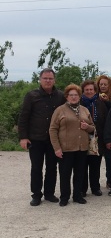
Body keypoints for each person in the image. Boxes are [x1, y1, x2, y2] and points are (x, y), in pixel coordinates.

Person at [18, 68, 65, 206]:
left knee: (52, 167)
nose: (48, 81)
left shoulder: (60, 96)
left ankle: (49, 193)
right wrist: (23, 137)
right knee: (36, 167)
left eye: (50, 78)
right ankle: (36, 195)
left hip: (53, 139)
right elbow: (23, 117)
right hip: (35, 139)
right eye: (45, 78)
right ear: (40, 79)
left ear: (54, 80)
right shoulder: (31, 96)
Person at [49, 84, 95, 206]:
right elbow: (53, 129)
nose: (74, 97)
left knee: (79, 173)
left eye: (76, 95)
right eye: (71, 95)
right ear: (67, 96)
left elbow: (93, 128)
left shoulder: (85, 110)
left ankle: (77, 195)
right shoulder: (60, 110)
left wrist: (87, 127)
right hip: (65, 149)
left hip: (81, 148)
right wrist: (57, 148)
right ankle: (64, 197)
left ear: (80, 96)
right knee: (65, 174)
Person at [80, 80, 108, 197]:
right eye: (86, 90)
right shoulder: (79, 103)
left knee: (95, 165)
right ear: (83, 91)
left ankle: (95, 187)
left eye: (91, 89)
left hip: (97, 138)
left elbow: (106, 121)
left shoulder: (101, 103)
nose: (89, 91)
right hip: (81, 138)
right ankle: (82, 188)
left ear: (95, 90)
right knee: (82, 164)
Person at [95, 74, 111, 190]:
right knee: (96, 159)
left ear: (110, 85)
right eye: (101, 84)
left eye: (105, 84)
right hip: (98, 132)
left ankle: (110, 180)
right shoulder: (95, 97)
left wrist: (107, 102)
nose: (103, 86)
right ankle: (95, 184)